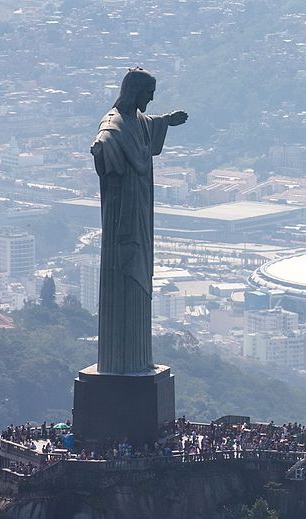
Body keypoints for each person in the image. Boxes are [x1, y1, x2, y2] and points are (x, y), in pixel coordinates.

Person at [91, 68, 188, 374]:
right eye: (149, 93)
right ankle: (122, 363)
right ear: (135, 91)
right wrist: (100, 149)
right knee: (125, 275)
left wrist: (167, 121)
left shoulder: (136, 119)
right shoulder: (114, 123)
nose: (151, 98)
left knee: (140, 277)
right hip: (125, 216)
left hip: (140, 208)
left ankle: (137, 360)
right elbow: (106, 137)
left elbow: (147, 124)